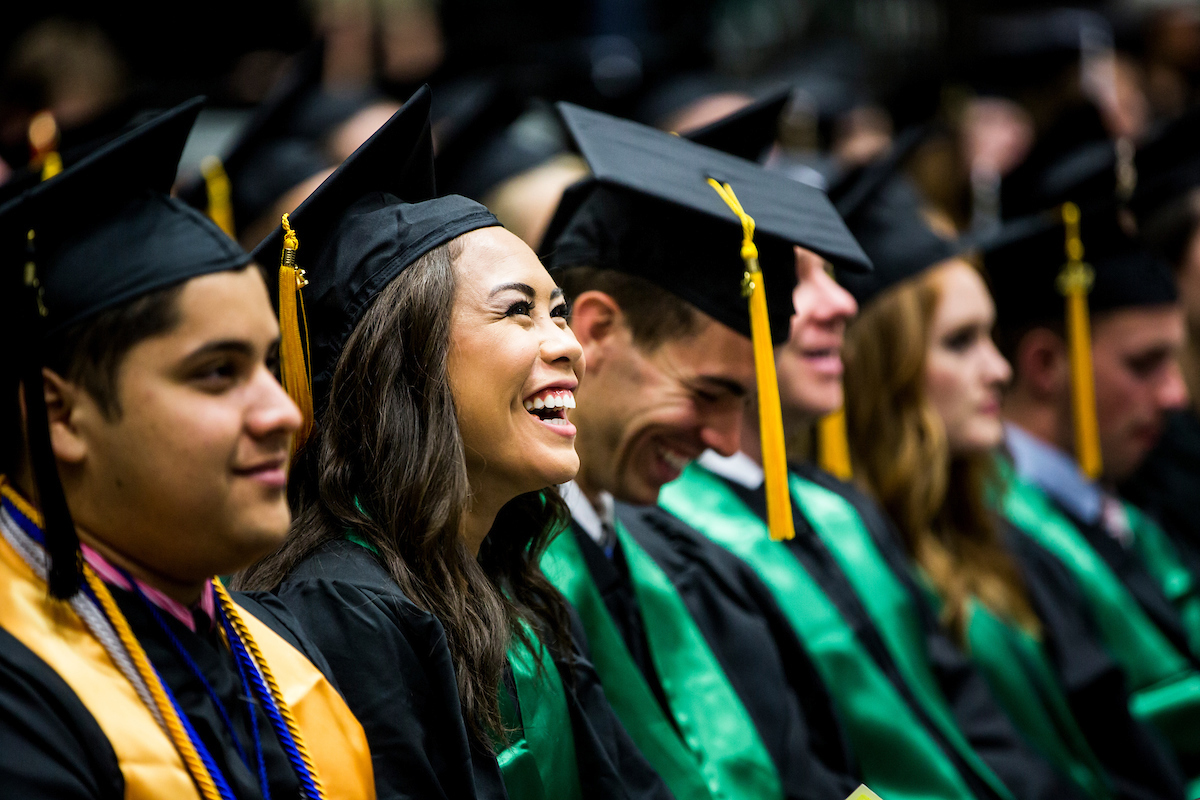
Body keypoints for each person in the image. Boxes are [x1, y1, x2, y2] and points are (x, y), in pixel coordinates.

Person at [238, 86, 673, 800]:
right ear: (405, 366)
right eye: (518, 312)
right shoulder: (342, 611)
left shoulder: (517, 596)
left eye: (559, 312)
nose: (565, 345)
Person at [658, 149, 1084, 800]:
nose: (841, 303)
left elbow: (974, 724)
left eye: (832, 273)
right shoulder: (671, 544)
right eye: (795, 276)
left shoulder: (837, 507)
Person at [0, 98, 374, 799]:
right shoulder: (19, 698)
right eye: (216, 373)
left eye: (268, 363)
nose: (283, 411)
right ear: (60, 415)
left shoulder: (273, 644)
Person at [539, 101, 870, 800]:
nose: (724, 439)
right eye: (709, 392)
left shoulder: (678, 566)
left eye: (742, 405)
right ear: (594, 332)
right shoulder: (510, 588)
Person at [836, 160, 1186, 798]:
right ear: (887, 370)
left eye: (991, 338)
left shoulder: (987, 536)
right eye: (961, 342)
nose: (999, 370)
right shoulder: (862, 566)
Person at [986, 202, 1200, 789]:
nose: (1175, 394)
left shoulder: (1126, 506)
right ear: (1046, 364)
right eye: (1145, 364)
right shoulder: (999, 543)